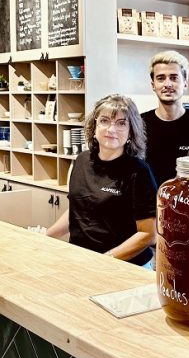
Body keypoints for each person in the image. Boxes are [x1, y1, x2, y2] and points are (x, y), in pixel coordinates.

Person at [47, 94, 157, 266]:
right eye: (104, 121)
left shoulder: (139, 172)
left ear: (131, 132)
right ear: (94, 126)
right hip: (80, 259)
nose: (111, 129)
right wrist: (46, 236)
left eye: (121, 123)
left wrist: (105, 261)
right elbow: (77, 211)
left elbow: (148, 234)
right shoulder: (81, 161)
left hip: (125, 266)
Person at [141, 51, 189, 185]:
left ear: (185, 83)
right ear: (153, 85)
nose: (167, 84)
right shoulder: (138, 123)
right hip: (150, 203)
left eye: (174, 77)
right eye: (161, 78)